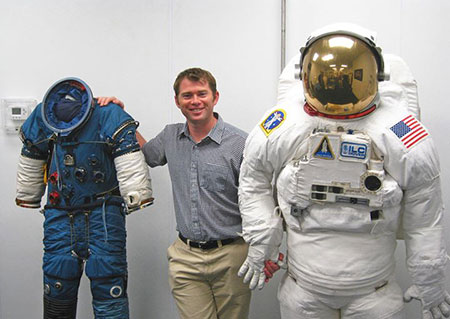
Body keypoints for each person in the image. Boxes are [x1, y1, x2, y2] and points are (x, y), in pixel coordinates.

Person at [237, 24, 450, 319]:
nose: (338, 86)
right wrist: (262, 242)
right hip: (304, 290)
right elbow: (253, 179)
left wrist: (430, 277)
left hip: (373, 293)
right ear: (306, 75)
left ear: (377, 75)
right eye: (329, 76)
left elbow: (425, 213)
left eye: (349, 75)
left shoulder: (399, 131)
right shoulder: (286, 122)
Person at [99, 67, 253, 319]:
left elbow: (257, 200)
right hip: (186, 257)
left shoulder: (240, 143)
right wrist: (120, 115)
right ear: (177, 101)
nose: (195, 101)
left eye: (201, 94)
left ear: (215, 97)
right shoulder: (171, 136)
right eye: (187, 95)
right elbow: (146, 155)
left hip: (231, 256)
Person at [16, 77, 153, 319]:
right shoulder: (43, 117)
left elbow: (128, 152)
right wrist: (28, 195)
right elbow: (32, 153)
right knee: (58, 283)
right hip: (61, 215)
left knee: (109, 282)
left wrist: (137, 194)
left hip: (103, 216)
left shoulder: (107, 114)